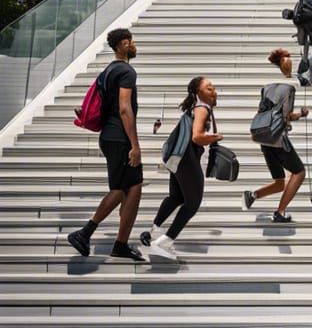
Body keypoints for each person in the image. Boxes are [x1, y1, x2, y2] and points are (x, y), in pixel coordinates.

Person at [67, 27, 145, 262]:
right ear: (122, 45)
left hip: (109, 136)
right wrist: (135, 144)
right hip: (120, 138)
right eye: (130, 42)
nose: (133, 45)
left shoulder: (108, 70)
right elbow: (124, 108)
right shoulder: (126, 71)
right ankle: (85, 233)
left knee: (131, 188)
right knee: (123, 189)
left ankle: (118, 243)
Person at [141, 76, 223, 261]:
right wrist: (215, 138)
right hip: (187, 158)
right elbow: (197, 137)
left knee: (176, 197)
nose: (214, 90)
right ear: (198, 93)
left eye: (214, 87)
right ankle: (163, 242)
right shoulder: (202, 109)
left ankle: (155, 230)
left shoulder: (196, 108)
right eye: (209, 88)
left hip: (178, 157)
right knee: (192, 203)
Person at [243, 48, 309, 224]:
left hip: (264, 137)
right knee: (299, 172)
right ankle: (280, 212)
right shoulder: (289, 86)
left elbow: (265, 111)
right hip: (278, 139)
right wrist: (301, 114)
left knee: (280, 182)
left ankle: (252, 195)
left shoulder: (266, 85)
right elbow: (286, 116)